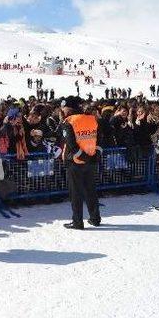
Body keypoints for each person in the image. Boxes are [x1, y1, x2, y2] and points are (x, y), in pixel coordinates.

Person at [61, 96, 101, 229]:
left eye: (64, 107)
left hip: (76, 162)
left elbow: (71, 144)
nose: (63, 110)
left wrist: (82, 156)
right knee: (91, 190)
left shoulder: (69, 121)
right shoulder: (92, 119)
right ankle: (95, 218)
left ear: (69, 108)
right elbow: (97, 139)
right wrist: (93, 156)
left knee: (76, 193)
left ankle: (78, 221)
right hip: (91, 160)